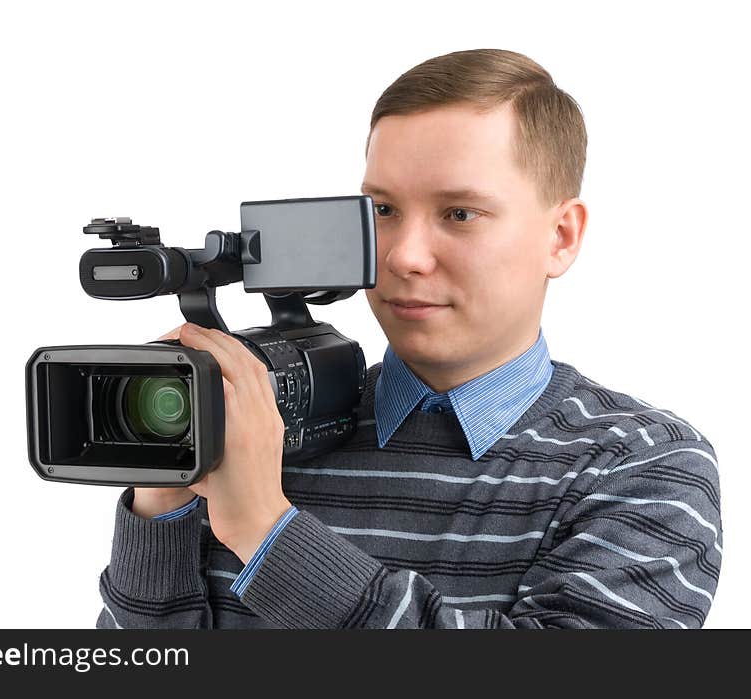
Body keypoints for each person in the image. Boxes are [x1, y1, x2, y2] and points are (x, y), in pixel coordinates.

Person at [96, 49, 721, 629]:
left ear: (561, 235)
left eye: (459, 214)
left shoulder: (642, 465)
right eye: (384, 211)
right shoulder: (260, 425)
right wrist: (163, 500)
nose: (405, 257)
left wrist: (266, 530)